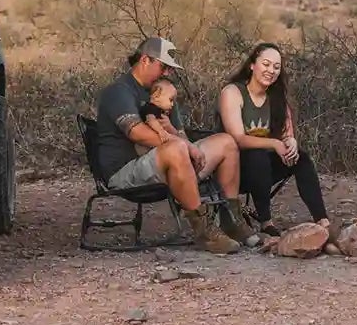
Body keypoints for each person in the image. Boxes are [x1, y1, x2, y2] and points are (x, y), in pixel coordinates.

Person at [91, 36, 251, 253]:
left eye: (169, 69)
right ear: (145, 60)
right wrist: (185, 146)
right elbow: (137, 132)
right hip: (127, 171)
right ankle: (204, 231)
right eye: (164, 66)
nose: (168, 73)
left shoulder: (165, 91)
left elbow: (181, 135)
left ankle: (232, 220)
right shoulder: (119, 91)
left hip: (171, 161)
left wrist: (181, 140)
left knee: (226, 142)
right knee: (176, 148)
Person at [214, 42, 329, 237]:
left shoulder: (277, 97)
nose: (271, 71)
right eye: (266, 64)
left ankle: (322, 220)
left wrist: (290, 142)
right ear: (252, 65)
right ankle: (266, 222)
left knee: (301, 158)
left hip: (265, 169)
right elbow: (238, 139)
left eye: (276, 67)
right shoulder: (233, 93)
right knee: (257, 156)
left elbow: (287, 134)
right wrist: (274, 144)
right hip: (234, 169)